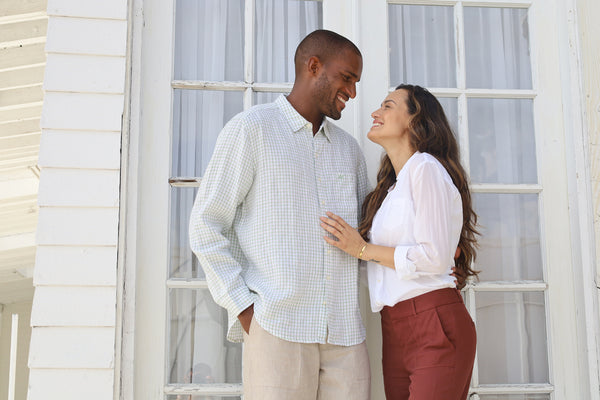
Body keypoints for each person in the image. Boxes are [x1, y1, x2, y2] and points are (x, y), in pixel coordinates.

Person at [189, 30, 370, 400]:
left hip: (346, 337)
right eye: (347, 78)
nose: (352, 92)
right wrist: (244, 308)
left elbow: (368, 236)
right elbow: (206, 224)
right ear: (313, 66)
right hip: (277, 328)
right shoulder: (251, 130)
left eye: (355, 82)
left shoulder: (350, 151)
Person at [320, 84, 478, 399]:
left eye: (388, 106)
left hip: (432, 322)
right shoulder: (391, 188)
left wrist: (360, 249)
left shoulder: (426, 168)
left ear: (414, 119)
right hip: (395, 327)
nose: (375, 113)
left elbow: (434, 257)